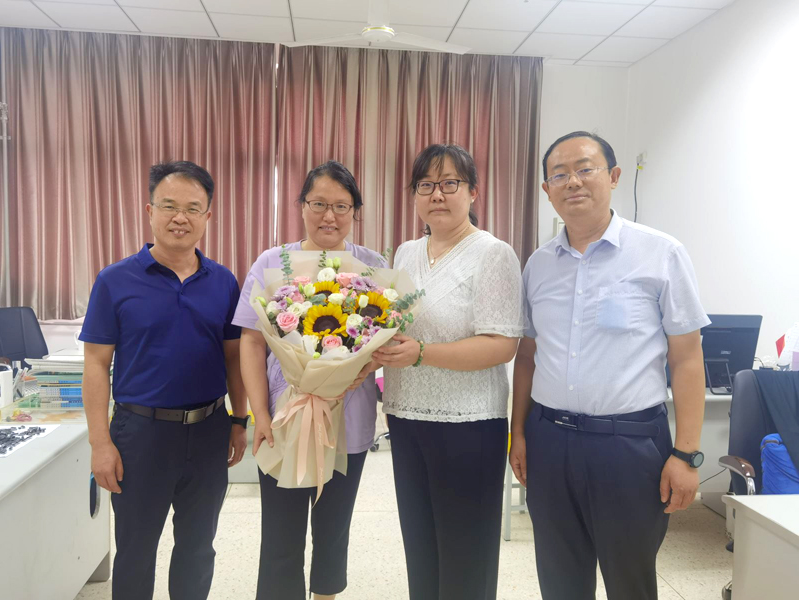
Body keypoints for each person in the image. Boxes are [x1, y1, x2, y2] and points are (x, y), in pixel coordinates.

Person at [510, 131, 709, 600]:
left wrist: (686, 455)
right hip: (549, 441)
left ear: (614, 176)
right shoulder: (538, 265)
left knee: (629, 580)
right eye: (559, 174)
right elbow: (527, 356)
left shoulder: (661, 253)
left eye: (585, 169)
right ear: (547, 190)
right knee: (559, 578)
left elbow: (686, 358)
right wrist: (518, 433)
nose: (573, 181)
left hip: (629, 446)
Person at [81, 160, 248, 600]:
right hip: (141, 434)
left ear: (207, 216)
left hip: (210, 429)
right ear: (150, 210)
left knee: (198, 548)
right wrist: (100, 443)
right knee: (136, 551)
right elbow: (96, 364)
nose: (180, 218)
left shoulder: (224, 281)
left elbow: (235, 359)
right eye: (170, 206)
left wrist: (239, 420)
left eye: (193, 208)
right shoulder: (115, 280)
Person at [373, 143, 525, 600]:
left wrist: (422, 353)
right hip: (405, 417)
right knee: (421, 547)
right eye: (425, 185)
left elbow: (502, 344)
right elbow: (395, 326)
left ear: (473, 191)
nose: (436, 194)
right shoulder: (405, 253)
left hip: (469, 425)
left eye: (449, 183)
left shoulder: (493, 254)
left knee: (466, 556)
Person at [233, 160, 385, 600]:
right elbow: (250, 341)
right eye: (318, 204)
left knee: (334, 531)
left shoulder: (372, 266)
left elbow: (385, 341)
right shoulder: (272, 263)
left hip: (349, 421)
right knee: (280, 533)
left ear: (355, 211)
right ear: (301, 205)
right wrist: (259, 416)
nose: (329, 216)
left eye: (341, 206)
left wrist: (364, 366)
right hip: (283, 420)